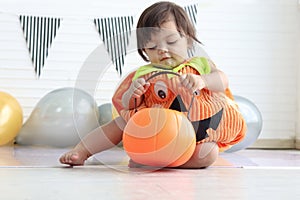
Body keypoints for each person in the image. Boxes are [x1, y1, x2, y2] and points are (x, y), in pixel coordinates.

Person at [59, 1, 246, 169]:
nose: (162, 50)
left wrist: (203, 80)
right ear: (143, 49)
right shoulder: (144, 74)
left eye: (171, 41)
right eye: (152, 46)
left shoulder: (200, 64)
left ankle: (159, 161)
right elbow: (128, 105)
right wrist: (133, 92)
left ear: (188, 39)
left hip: (192, 133)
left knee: (208, 153)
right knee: (119, 123)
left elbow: (222, 81)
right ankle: (82, 151)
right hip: (153, 130)